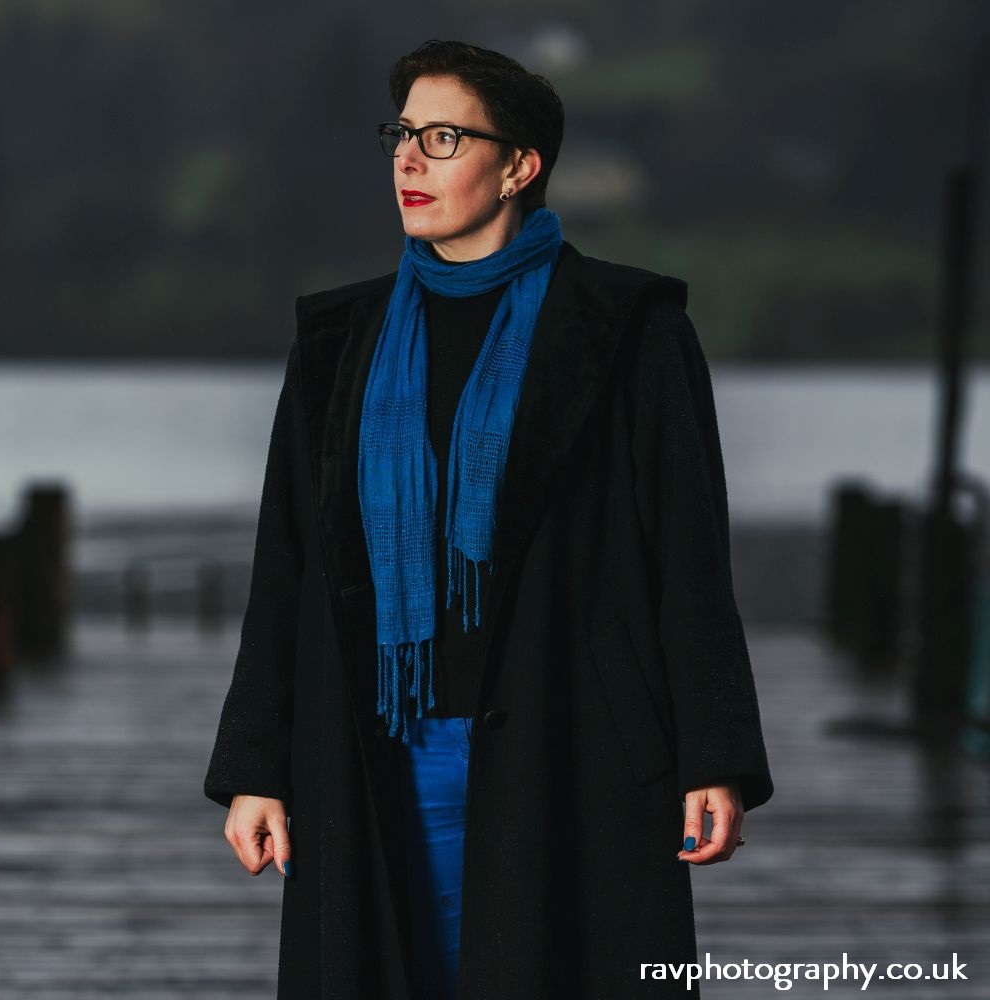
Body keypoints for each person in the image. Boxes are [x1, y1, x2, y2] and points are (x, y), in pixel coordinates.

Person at [204, 38, 773, 1000]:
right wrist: (257, 766)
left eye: (442, 136)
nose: (408, 160)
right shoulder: (341, 342)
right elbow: (288, 569)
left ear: (519, 165)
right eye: (401, 135)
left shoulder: (630, 330)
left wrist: (714, 755)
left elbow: (687, 558)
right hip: (375, 752)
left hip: (571, 750)